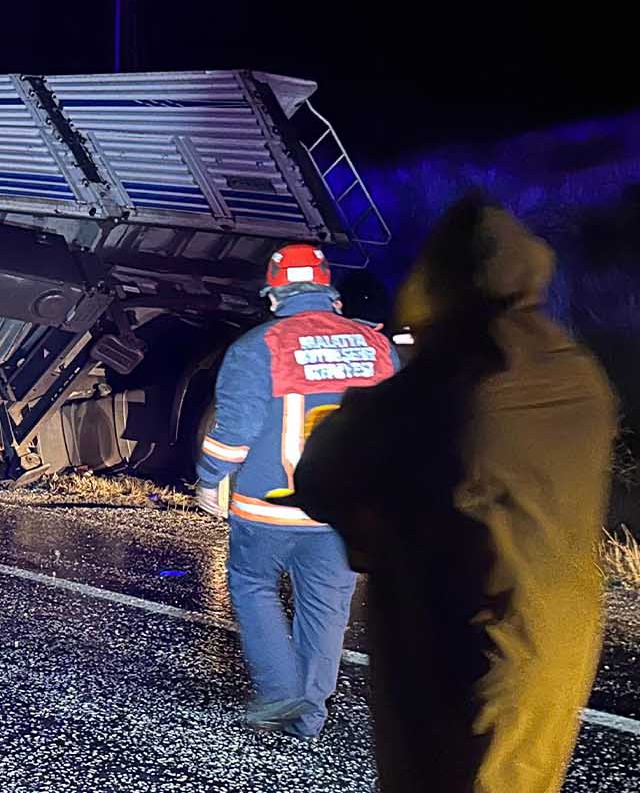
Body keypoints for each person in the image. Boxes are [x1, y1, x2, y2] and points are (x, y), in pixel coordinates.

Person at [290, 197, 617, 792]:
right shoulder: (578, 374)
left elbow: (323, 473)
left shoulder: (449, 383)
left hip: (459, 642)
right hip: (557, 631)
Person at [194, 242, 399, 736]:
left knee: (252, 586)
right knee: (326, 607)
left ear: (274, 295)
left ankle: (281, 692)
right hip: (345, 511)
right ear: (332, 294)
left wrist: (207, 480)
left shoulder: (255, 348)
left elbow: (233, 434)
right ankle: (308, 716)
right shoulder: (378, 348)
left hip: (269, 507)